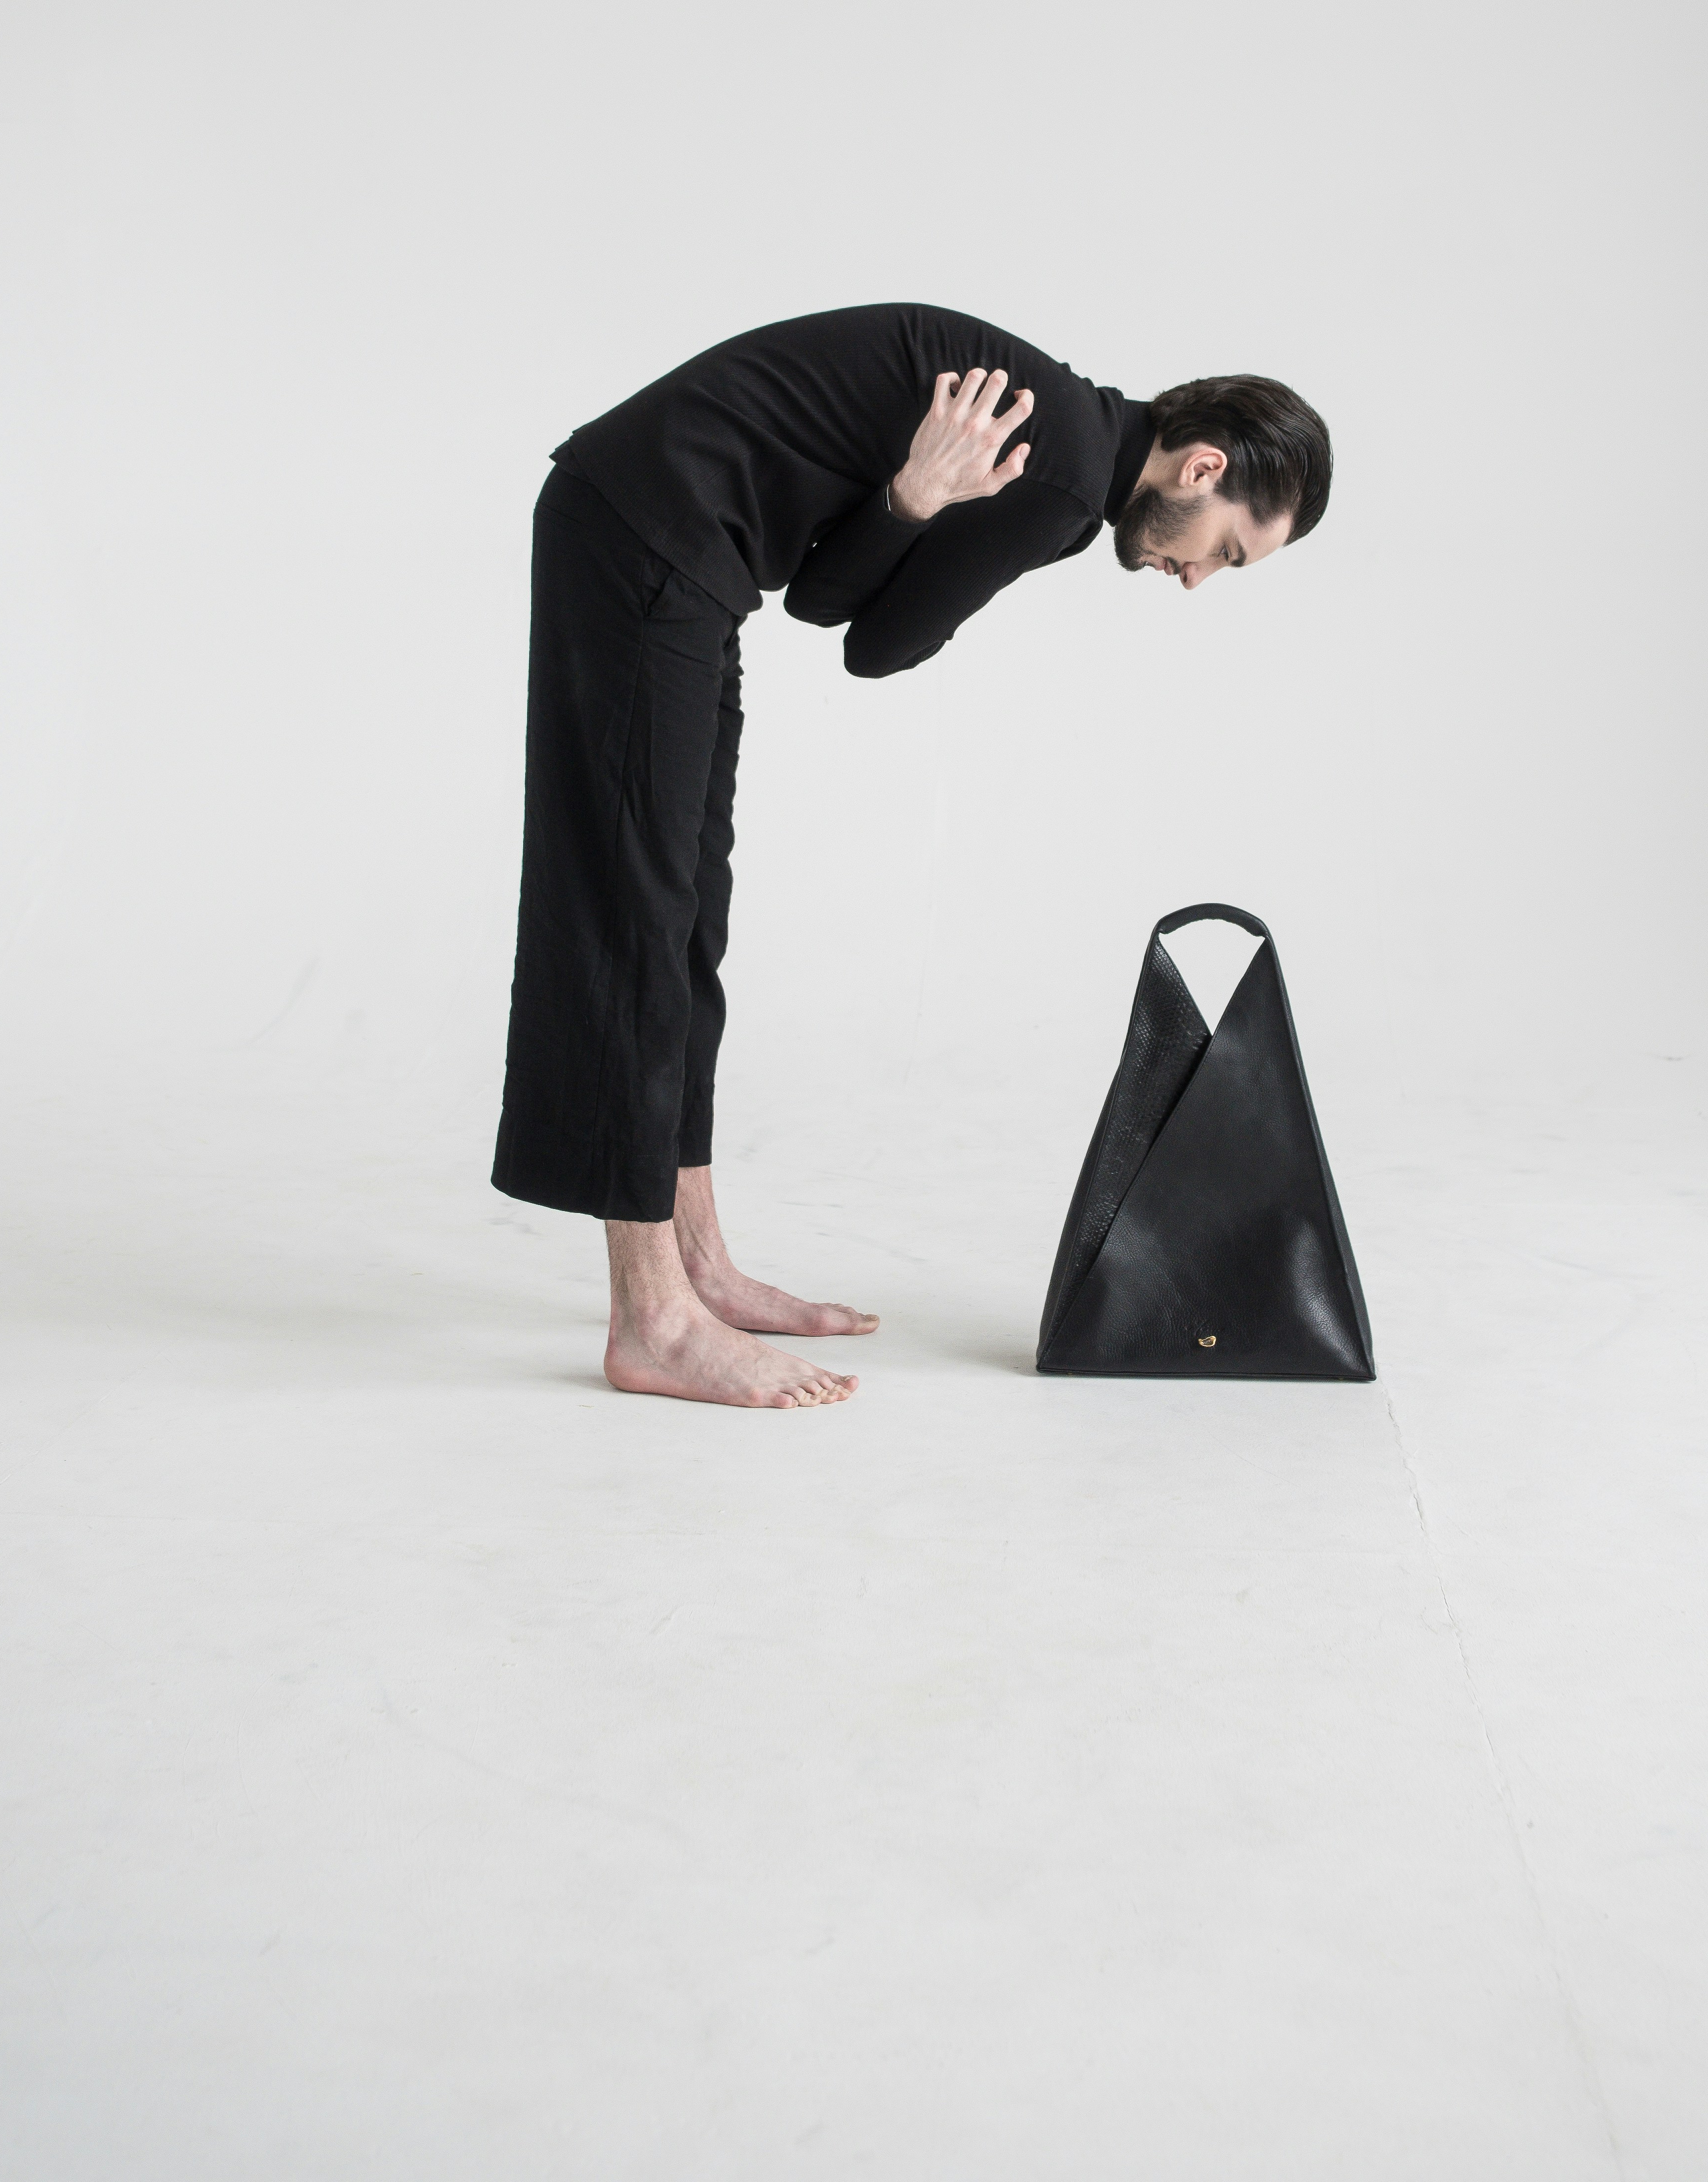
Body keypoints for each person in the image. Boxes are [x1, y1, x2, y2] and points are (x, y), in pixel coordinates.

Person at [492, 303, 1332, 1409]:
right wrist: (918, 504)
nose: (1194, 578)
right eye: (1223, 546)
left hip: (691, 553)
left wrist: (908, 500)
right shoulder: (1067, 476)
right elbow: (874, 645)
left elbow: (828, 597)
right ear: (1202, 463)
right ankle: (651, 1318)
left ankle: (696, 1262)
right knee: (635, 910)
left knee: (686, 907)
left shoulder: (1068, 434)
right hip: (647, 525)